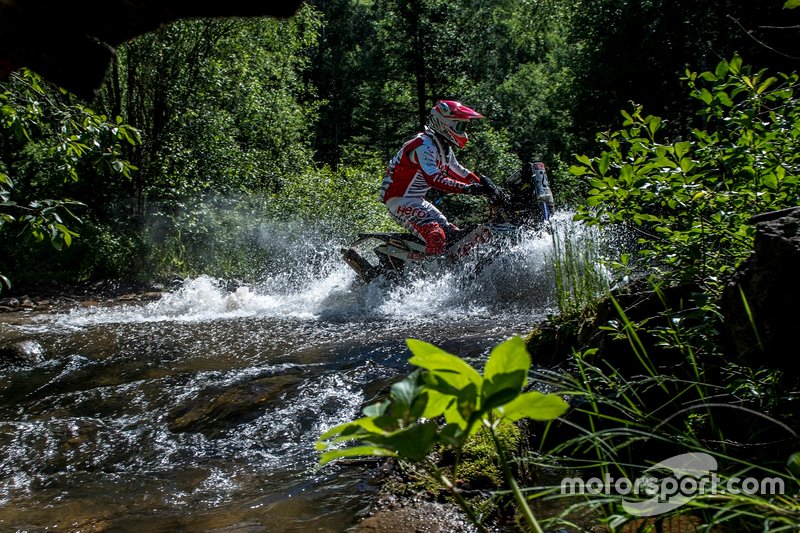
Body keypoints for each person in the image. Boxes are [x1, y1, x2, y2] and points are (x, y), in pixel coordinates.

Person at [379, 99, 501, 257]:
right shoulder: (423, 145)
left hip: (416, 200)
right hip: (400, 200)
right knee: (436, 236)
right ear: (444, 124)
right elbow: (434, 179)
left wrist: (491, 189)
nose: (463, 132)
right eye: (460, 126)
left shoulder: (442, 147)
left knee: (453, 235)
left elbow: (461, 173)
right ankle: (433, 281)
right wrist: (468, 189)